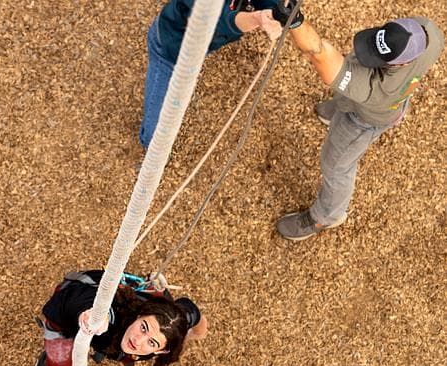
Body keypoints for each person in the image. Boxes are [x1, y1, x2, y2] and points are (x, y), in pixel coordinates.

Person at [272, 2, 444, 240]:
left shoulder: (375, 88)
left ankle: (326, 216)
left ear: (401, 63)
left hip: (362, 120)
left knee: (336, 167)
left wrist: (295, 21)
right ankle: (336, 109)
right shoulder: (429, 33)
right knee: (343, 99)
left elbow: (318, 52)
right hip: (391, 102)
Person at [140, 0, 284, 149]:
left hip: (198, 46)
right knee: (155, 138)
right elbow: (219, 19)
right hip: (169, 50)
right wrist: (257, 18)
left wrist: (277, 10)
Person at [33, 270, 207, 366]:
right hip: (71, 308)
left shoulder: (174, 324)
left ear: (162, 350)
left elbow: (192, 311)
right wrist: (94, 316)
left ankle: (122, 353)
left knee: (128, 350)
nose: (138, 340)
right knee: (58, 359)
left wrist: (193, 334)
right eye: (143, 327)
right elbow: (82, 301)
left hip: (116, 341)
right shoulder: (116, 311)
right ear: (139, 315)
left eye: (152, 342)